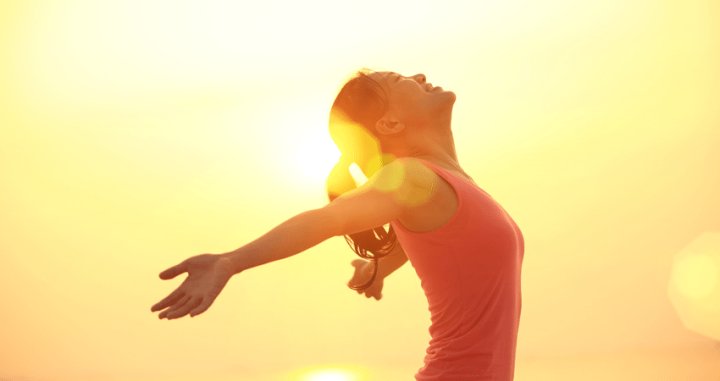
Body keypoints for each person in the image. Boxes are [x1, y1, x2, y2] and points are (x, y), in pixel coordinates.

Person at [150, 69, 525, 381]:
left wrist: (376, 268)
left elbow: (444, 246)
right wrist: (230, 261)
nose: (420, 75)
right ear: (390, 122)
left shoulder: (443, 184)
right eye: (400, 79)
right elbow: (329, 219)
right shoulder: (414, 177)